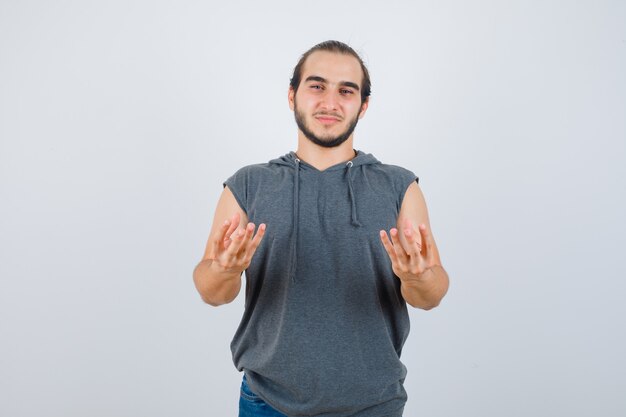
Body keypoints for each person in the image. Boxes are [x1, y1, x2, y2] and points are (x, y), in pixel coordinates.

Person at [193, 40, 449, 417]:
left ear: (363, 105)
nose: (330, 102)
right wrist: (224, 271)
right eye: (317, 86)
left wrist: (416, 279)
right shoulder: (248, 185)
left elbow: (431, 293)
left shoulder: (399, 186)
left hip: (374, 404)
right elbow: (212, 292)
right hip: (267, 403)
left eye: (346, 91)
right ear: (292, 95)